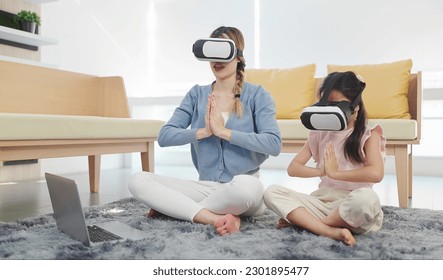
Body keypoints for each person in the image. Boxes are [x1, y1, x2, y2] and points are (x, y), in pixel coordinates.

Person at [129, 26, 281, 236]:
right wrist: (203, 132)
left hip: (242, 189)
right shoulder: (196, 95)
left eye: (223, 52)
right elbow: (164, 137)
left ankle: (176, 209)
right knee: (138, 180)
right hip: (206, 186)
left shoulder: (257, 95)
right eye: (212, 53)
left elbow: (273, 144)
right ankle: (216, 217)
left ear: (238, 56)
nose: (217, 60)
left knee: (247, 187)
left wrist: (224, 132)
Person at [264, 71, 385, 246]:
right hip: (322, 203)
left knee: (367, 200)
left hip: (352, 205)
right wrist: (321, 171)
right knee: (271, 192)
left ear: (355, 106)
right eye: (325, 105)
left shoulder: (368, 134)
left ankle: (310, 224)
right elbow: (293, 168)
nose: (329, 111)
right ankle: (329, 230)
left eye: (335, 105)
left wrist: (335, 173)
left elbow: (376, 173)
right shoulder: (320, 133)